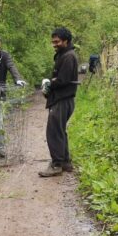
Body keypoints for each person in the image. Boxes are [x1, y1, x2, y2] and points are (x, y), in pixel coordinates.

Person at [39, 27, 79, 177]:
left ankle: (56, 165)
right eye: (53, 42)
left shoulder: (69, 56)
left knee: (54, 132)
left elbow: (63, 80)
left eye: (57, 42)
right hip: (63, 99)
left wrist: (49, 84)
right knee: (60, 130)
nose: (54, 44)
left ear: (66, 41)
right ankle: (66, 162)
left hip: (63, 100)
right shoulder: (63, 54)